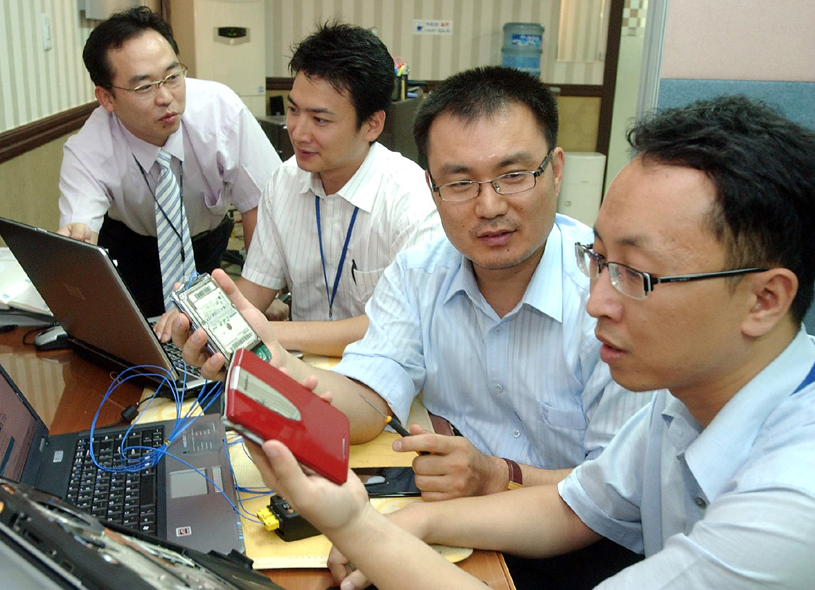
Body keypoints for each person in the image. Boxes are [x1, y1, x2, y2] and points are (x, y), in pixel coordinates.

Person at [246, 94, 815, 590]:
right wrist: (415, 523)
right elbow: (575, 506)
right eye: (599, 261)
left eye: (637, 275)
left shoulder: (791, 504)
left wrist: (355, 526)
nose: (596, 303)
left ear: (764, 300)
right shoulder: (684, 400)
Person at [230, 22, 441, 356]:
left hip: (383, 379)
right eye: (294, 110)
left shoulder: (411, 201)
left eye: (320, 120)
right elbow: (253, 291)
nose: (298, 133)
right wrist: (211, 321)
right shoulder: (284, 181)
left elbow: (399, 326)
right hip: (294, 372)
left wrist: (268, 331)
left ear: (372, 124)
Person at [57, 6, 280, 317]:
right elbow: (79, 233)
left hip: (206, 244)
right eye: (144, 87)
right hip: (134, 251)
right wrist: (77, 243)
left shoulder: (221, 112)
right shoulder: (89, 148)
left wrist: (257, 294)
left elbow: (262, 206)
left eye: (172, 77)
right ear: (106, 98)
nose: (165, 97)